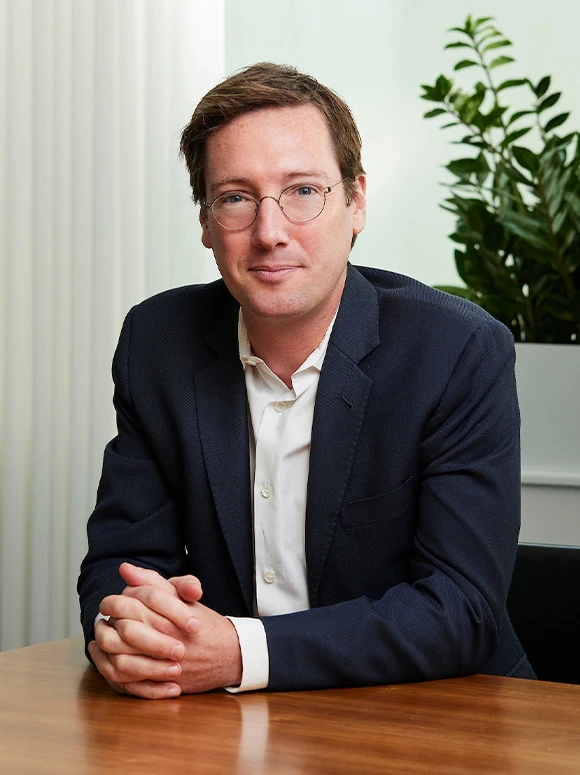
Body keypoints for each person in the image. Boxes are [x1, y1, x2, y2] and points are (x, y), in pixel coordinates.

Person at [78, 62, 534, 699]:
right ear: (206, 223)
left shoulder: (456, 351)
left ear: (356, 203)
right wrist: (135, 629)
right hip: (217, 727)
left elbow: (460, 609)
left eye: (303, 191)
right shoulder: (159, 343)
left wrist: (240, 652)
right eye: (236, 197)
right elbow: (119, 562)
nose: (270, 232)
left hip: (435, 717)